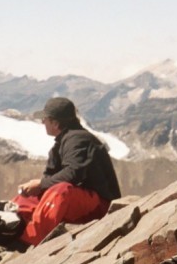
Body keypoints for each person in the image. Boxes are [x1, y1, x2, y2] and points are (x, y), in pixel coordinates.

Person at [11, 97, 121, 245]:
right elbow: (49, 179)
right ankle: (11, 227)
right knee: (28, 196)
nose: (43, 122)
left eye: (45, 119)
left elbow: (72, 174)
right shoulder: (63, 142)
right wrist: (37, 188)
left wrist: (42, 184)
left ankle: (30, 240)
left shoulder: (78, 139)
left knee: (61, 191)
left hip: (101, 205)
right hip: (84, 201)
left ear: (55, 123)